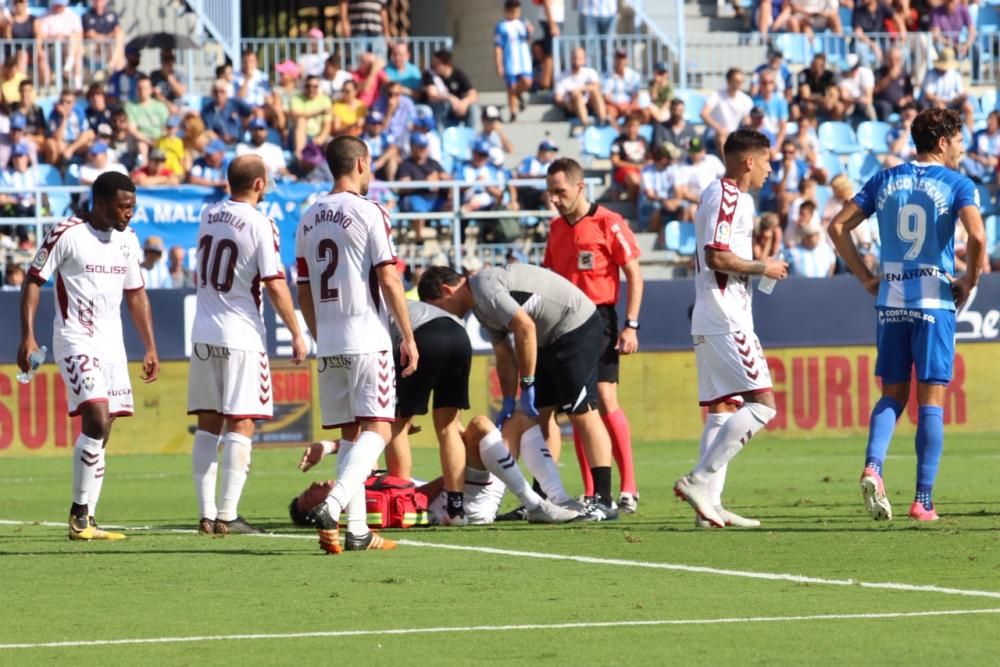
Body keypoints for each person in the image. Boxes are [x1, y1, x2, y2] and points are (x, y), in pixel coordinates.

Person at [828, 108, 985, 523]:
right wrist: (968, 279)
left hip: (891, 302)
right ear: (942, 141)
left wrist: (865, 277)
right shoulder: (957, 183)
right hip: (934, 302)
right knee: (930, 400)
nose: (962, 147)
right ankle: (923, 501)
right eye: (959, 139)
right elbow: (980, 237)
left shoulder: (884, 178)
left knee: (892, 395)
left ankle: (873, 466)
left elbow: (838, 226)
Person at [18, 172, 159, 541]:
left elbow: (136, 294)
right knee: (95, 418)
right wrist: (28, 337)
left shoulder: (127, 240)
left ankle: (87, 519)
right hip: (75, 339)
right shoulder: (67, 233)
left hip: (113, 345)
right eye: (123, 206)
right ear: (101, 202)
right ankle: (79, 514)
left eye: (133, 207)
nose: (129, 213)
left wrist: (150, 346)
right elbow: (34, 280)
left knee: (104, 428)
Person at [418, 262, 619, 521]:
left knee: (582, 411)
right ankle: (544, 499)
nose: (441, 316)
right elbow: (504, 355)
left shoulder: (484, 287)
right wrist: (509, 400)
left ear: (446, 290)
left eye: (437, 308)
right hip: (548, 336)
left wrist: (526, 382)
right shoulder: (479, 308)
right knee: (542, 417)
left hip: (574, 326)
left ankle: (604, 499)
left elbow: (525, 327)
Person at [295, 135, 418, 554]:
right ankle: (333, 506)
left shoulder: (308, 216)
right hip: (367, 336)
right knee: (379, 428)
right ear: (362, 163)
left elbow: (304, 289)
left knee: (351, 434)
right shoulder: (370, 211)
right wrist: (408, 335)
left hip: (329, 340)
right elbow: (389, 277)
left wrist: (318, 333)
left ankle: (359, 530)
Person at [673, 129, 787, 529]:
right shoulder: (728, 195)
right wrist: (763, 266)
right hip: (724, 314)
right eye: (768, 161)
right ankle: (699, 481)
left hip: (714, 310)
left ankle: (711, 508)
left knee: (726, 407)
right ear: (749, 162)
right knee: (763, 404)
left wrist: (759, 264)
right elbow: (717, 256)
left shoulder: (724, 195)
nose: (771, 169)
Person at [188, 155, 308, 535]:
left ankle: (206, 514)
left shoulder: (209, 215)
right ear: (259, 184)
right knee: (241, 422)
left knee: (208, 423)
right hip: (240, 333)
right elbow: (274, 282)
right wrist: (297, 331)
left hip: (204, 331)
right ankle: (228, 514)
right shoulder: (261, 224)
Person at [543, 157, 645, 513]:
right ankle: (590, 491)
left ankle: (629, 487)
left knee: (605, 397)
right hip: (564, 322)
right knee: (577, 404)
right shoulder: (556, 230)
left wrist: (631, 324)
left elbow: (634, 272)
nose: (554, 199)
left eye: (560, 192)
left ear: (580, 187)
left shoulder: (608, 222)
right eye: (550, 192)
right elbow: (549, 279)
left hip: (599, 318)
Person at [397, 132, 448, 242]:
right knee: (417, 206)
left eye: (424, 146)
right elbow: (403, 187)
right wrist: (425, 182)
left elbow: (448, 179)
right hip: (416, 199)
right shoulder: (406, 165)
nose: (423, 149)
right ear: (411, 147)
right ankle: (419, 239)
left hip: (435, 200)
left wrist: (439, 179)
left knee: (453, 202)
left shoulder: (434, 163)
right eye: (419, 147)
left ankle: (449, 237)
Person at [494, 0, 533, 121]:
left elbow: (527, 38)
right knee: (511, 86)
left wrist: (530, 31)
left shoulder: (522, 23)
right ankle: (513, 112)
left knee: (527, 82)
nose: (516, 13)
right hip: (511, 60)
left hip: (524, 60)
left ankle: (517, 96)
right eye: (513, 11)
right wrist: (499, 64)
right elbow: (498, 47)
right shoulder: (501, 26)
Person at [639, 142, 691, 232]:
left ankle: (679, 234)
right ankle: (656, 234)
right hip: (655, 201)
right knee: (656, 208)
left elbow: (678, 190)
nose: (671, 159)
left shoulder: (674, 168)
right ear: (662, 158)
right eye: (668, 157)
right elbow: (650, 194)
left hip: (672, 200)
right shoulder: (646, 171)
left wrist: (676, 201)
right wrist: (664, 202)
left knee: (685, 207)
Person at [701, 68, 753, 157]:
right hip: (714, 135)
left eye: (741, 81)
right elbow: (704, 114)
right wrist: (719, 128)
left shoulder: (745, 100)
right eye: (736, 81)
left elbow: (747, 120)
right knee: (721, 137)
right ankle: (728, 166)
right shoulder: (717, 96)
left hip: (734, 135)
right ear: (729, 81)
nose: (740, 84)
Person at [422, 49, 479, 129]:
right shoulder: (430, 74)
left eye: (437, 63)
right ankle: (441, 136)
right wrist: (451, 98)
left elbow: (473, 94)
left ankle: (470, 136)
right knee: (444, 105)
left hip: (457, 108)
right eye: (433, 62)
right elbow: (432, 96)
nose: (433, 65)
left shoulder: (458, 73)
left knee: (473, 108)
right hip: (439, 108)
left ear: (447, 64)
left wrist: (464, 103)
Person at [921, 48, 975, 130]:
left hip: (953, 103)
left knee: (968, 107)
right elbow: (928, 95)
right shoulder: (930, 74)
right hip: (935, 105)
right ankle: (944, 133)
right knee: (940, 107)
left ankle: (971, 135)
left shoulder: (955, 74)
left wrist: (961, 97)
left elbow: (960, 93)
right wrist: (942, 100)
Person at [554, 46, 605, 132]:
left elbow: (597, 86)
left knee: (595, 92)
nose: (577, 61)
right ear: (571, 58)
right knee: (577, 96)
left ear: (584, 60)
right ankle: (586, 124)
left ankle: (603, 121)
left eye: (579, 58)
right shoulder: (562, 76)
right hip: (572, 107)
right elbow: (558, 97)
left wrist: (581, 88)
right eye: (575, 58)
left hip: (590, 105)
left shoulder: (590, 72)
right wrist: (567, 103)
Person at [201, 79, 254, 146]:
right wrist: (221, 138)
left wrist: (244, 126)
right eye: (215, 92)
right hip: (219, 145)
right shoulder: (207, 110)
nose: (218, 94)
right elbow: (208, 131)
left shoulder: (235, 103)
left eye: (222, 92)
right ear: (212, 93)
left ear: (227, 93)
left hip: (240, 143)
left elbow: (251, 113)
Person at [610, 113, 649, 202]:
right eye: (630, 126)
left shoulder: (643, 140)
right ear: (626, 127)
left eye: (635, 126)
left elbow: (649, 157)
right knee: (634, 179)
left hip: (642, 169)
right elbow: (615, 161)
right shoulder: (618, 141)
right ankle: (634, 202)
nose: (632, 129)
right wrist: (635, 166)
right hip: (624, 171)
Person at [291, 75, 333, 156]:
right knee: (301, 121)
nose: (311, 89)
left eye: (315, 86)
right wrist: (319, 112)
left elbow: (327, 124)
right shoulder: (296, 98)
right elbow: (295, 115)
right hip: (300, 134)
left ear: (318, 87)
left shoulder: (325, 100)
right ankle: (299, 155)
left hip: (318, 135)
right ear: (304, 86)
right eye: (308, 86)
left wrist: (321, 138)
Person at [125, 74, 170, 149]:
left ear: (151, 89)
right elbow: (132, 130)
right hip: (141, 141)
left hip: (159, 140)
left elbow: (165, 128)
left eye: (145, 88)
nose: (142, 91)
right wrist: (149, 141)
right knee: (142, 145)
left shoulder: (160, 107)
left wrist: (159, 141)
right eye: (140, 88)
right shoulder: (130, 106)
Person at [873, 45, 915, 121]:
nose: (894, 62)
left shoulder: (905, 75)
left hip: (901, 104)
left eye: (897, 59)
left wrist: (905, 100)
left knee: (912, 108)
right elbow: (876, 90)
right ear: (887, 59)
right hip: (885, 103)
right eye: (891, 59)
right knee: (883, 107)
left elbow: (910, 94)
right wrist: (890, 77)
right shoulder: (879, 72)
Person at [602, 48, 644, 123]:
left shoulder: (634, 75)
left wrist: (629, 108)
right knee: (609, 112)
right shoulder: (607, 76)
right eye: (618, 58)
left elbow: (635, 96)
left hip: (629, 105)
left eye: (623, 58)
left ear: (627, 60)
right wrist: (619, 106)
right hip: (614, 105)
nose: (620, 61)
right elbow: (606, 97)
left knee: (643, 112)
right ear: (614, 60)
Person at [515, 138, 558, 211]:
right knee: (549, 195)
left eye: (554, 151)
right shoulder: (530, 161)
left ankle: (558, 219)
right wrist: (539, 177)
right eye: (550, 151)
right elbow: (519, 175)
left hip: (544, 192)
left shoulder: (554, 164)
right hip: (528, 192)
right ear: (541, 151)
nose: (552, 154)